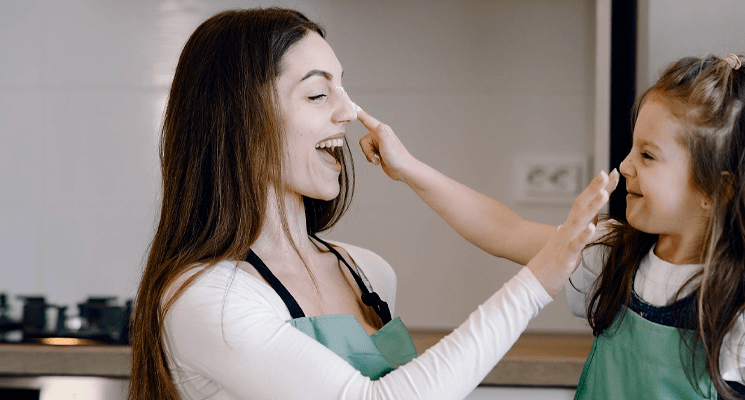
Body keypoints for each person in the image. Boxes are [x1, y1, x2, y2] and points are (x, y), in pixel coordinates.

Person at [128, 7, 619, 400]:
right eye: (319, 94)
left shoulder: (366, 272)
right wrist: (535, 283)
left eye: (342, 88)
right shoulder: (208, 298)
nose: (348, 111)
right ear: (240, 120)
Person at [358, 54, 745, 399]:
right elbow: (504, 229)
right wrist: (410, 168)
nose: (624, 166)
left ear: (716, 190)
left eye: (647, 155)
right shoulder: (612, 252)